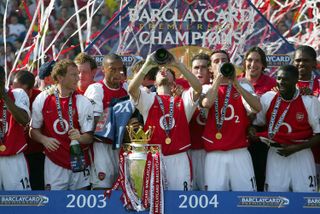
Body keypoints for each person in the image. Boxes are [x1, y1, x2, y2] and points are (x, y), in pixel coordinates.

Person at [128, 50, 202, 190]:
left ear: (173, 82)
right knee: (155, 204)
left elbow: (198, 88)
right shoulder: (148, 98)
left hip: (179, 158)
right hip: (155, 158)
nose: (163, 70)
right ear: (154, 83)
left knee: (180, 203)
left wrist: (178, 65)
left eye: (168, 70)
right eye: (159, 71)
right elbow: (132, 90)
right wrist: (148, 64)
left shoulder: (183, 100)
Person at [253, 65, 320, 192]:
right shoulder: (268, 98)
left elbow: (319, 134)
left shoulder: (309, 101)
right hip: (276, 153)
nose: (281, 82)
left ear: (296, 80)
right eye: (278, 78)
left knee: (305, 199)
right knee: (275, 199)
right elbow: (258, 123)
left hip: (301, 154)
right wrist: (252, 131)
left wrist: (296, 148)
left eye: (286, 79)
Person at [201, 50, 261, 191]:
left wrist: (237, 84)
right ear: (210, 68)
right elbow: (207, 103)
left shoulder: (243, 86)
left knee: (246, 198)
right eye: (216, 61)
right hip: (215, 154)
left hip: (239, 152)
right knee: (215, 200)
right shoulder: (206, 87)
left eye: (224, 60)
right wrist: (218, 79)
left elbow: (257, 107)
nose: (221, 63)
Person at [30, 59, 94, 190]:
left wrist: (80, 137)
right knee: (54, 205)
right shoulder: (43, 99)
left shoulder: (82, 101)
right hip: (54, 162)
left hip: (78, 161)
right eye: (73, 75)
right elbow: (33, 131)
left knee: (79, 207)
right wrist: (44, 139)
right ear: (60, 77)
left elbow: (89, 137)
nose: (78, 78)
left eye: (78, 74)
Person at [84, 53, 127, 189]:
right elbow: (98, 126)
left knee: (122, 191)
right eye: (112, 69)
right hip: (101, 148)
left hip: (121, 148)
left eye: (120, 69)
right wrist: (124, 125)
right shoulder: (96, 89)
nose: (117, 73)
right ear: (103, 69)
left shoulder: (126, 89)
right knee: (102, 189)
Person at [242, 46, 277, 191]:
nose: (253, 64)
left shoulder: (273, 84)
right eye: (250, 60)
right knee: (243, 179)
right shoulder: (237, 82)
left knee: (261, 176)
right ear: (244, 62)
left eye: (257, 61)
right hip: (240, 135)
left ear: (263, 65)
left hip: (262, 136)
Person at [293, 45, 320, 190]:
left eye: (306, 60)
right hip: (292, 148)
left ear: (314, 63)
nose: (301, 64)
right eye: (298, 60)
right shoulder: (282, 85)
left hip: (316, 149)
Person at [0, 66, 31, 190]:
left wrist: (4, 96)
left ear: (3, 80)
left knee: (20, 204)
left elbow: (24, 120)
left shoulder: (18, 94)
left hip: (13, 159)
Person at [12, 70, 44, 190]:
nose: (16, 93)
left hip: (35, 154)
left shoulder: (41, 98)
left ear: (30, 91)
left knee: (37, 189)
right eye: (14, 89)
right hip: (14, 155)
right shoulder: (7, 97)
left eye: (22, 91)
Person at [188, 53, 211, 190]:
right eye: (196, 67)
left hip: (208, 151)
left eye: (203, 67)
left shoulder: (216, 92)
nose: (199, 71)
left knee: (208, 191)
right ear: (191, 71)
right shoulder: (183, 93)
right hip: (187, 151)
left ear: (210, 71)